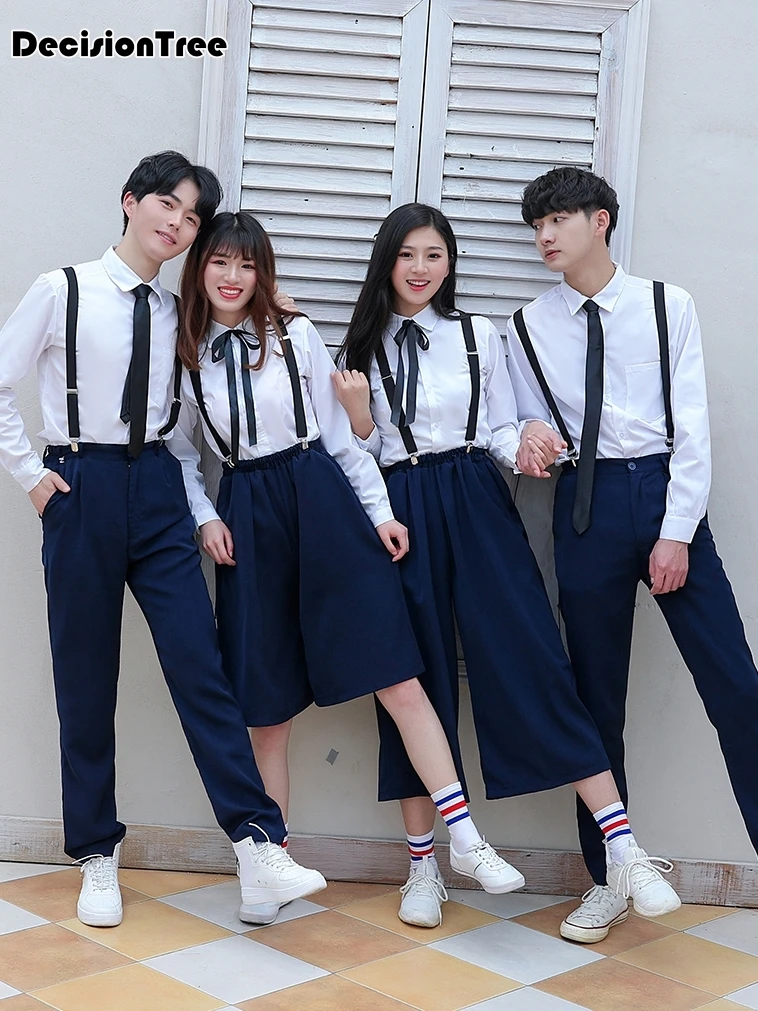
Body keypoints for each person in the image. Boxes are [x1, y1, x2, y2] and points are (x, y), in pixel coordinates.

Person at [169, 209, 526, 928]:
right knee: (266, 711)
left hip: (321, 497)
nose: (233, 277)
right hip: (247, 511)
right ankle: (265, 865)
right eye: (219, 263)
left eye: (247, 264)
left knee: (397, 673)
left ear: (264, 272)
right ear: (199, 268)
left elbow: (339, 438)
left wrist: (380, 512)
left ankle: (464, 839)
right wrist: (205, 516)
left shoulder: (296, 334)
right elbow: (179, 451)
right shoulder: (185, 353)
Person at [332, 201, 680, 936]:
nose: (421, 268)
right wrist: (360, 417)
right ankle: (424, 866)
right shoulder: (357, 352)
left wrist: (525, 440)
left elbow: (500, 427)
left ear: (449, 262)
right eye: (407, 255)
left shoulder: (478, 335)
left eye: (434, 254)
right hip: (397, 509)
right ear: (386, 261)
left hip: (477, 497)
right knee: (416, 678)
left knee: (533, 657)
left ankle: (623, 849)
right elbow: (352, 456)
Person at [0, 151, 326, 929]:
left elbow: (190, 423)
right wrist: (32, 476)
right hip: (79, 484)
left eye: (191, 217)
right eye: (168, 206)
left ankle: (257, 842)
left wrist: (200, 510)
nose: (178, 224)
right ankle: (96, 852)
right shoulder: (63, 289)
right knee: (85, 676)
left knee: (199, 666)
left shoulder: (181, 312)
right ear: (130, 201)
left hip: (157, 491)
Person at [507, 164, 758, 942]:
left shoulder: (664, 305)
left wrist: (676, 529)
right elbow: (516, 419)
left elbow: (693, 424)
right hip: (583, 504)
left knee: (735, 686)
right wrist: (526, 434)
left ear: (600, 221)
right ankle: (610, 874)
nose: (545, 236)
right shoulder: (526, 325)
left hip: (664, 494)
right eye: (537, 226)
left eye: (558, 219)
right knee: (594, 701)